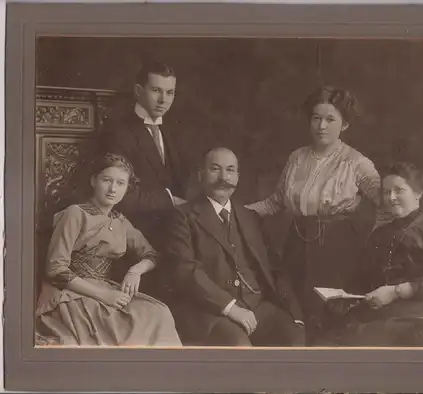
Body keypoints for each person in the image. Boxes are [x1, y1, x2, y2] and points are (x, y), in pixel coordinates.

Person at [246, 85, 384, 341]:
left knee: (329, 320)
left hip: (337, 249)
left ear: (345, 125)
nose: (321, 126)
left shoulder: (356, 162)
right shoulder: (297, 158)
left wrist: (378, 236)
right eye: (316, 118)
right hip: (297, 245)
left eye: (330, 119)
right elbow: (276, 201)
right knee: (295, 313)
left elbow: (385, 201)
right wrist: (235, 212)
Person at [160, 147, 305, 346]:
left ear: (237, 176)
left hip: (257, 306)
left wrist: (293, 313)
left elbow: (274, 267)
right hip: (211, 310)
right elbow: (185, 270)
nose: (223, 177)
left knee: (294, 339)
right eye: (215, 169)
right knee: (238, 347)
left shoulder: (249, 216)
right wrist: (230, 307)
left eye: (230, 170)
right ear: (201, 175)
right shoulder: (181, 216)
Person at [35, 153, 182, 347]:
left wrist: (135, 270)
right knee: (122, 330)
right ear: (94, 181)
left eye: (121, 183)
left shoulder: (120, 221)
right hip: (71, 293)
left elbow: (152, 255)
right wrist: (104, 296)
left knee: (158, 313)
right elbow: (56, 269)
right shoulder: (75, 213)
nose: (113, 189)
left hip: (105, 289)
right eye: (107, 180)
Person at [336, 161, 423, 347]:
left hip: (422, 314)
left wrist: (395, 292)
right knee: (332, 334)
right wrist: (346, 297)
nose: (391, 197)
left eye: (398, 190)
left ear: (419, 193)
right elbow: (362, 279)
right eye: (386, 192)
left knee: (359, 340)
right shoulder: (379, 234)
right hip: (382, 312)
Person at [96, 59, 186, 250]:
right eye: (156, 91)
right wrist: (170, 200)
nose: (163, 100)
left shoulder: (173, 132)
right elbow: (120, 196)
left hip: (174, 229)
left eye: (169, 92)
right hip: (136, 232)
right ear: (138, 91)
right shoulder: (118, 133)